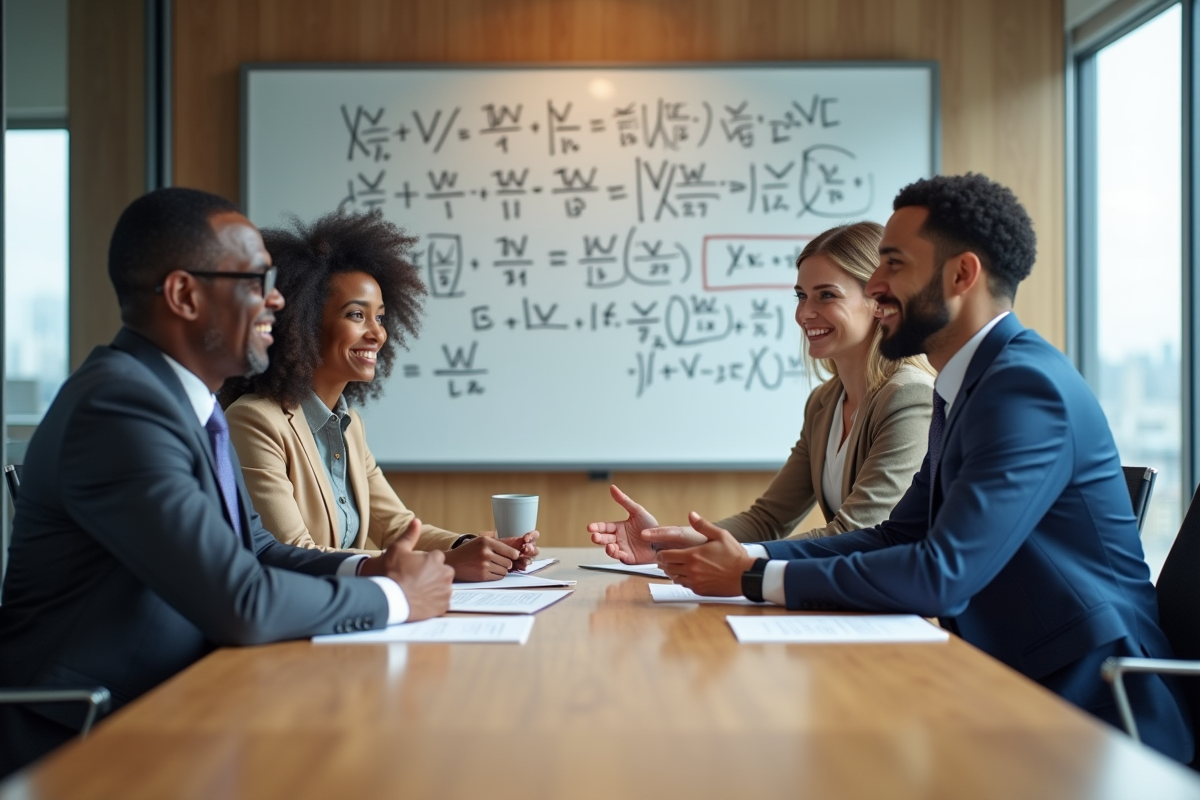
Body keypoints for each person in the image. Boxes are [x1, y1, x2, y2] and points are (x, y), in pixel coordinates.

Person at [641, 174, 1195, 763]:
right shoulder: (966, 386)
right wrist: (746, 558)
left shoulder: (1023, 388)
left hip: (1091, 709)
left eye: (893, 265)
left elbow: (942, 573)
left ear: (962, 276)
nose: (875, 286)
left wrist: (752, 578)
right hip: (1007, 679)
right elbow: (898, 534)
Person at [0, 188, 454, 777]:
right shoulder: (117, 410)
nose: (277, 299)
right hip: (95, 737)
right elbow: (240, 600)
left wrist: (369, 569)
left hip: (183, 702)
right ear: (184, 294)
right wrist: (397, 598)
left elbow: (256, 550)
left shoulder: (190, 406)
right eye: (254, 279)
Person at [587, 222, 935, 561]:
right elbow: (767, 521)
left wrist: (737, 562)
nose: (804, 313)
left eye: (826, 295)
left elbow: (857, 532)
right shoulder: (823, 404)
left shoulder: (909, 397)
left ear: (879, 301)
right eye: (801, 296)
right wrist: (663, 542)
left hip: (892, 610)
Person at [220, 211, 538, 582]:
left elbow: (399, 528)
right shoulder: (255, 420)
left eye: (381, 318)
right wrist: (445, 564)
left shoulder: (349, 425)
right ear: (302, 324)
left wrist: (474, 548)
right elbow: (291, 553)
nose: (377, 334)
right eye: (357, 315)